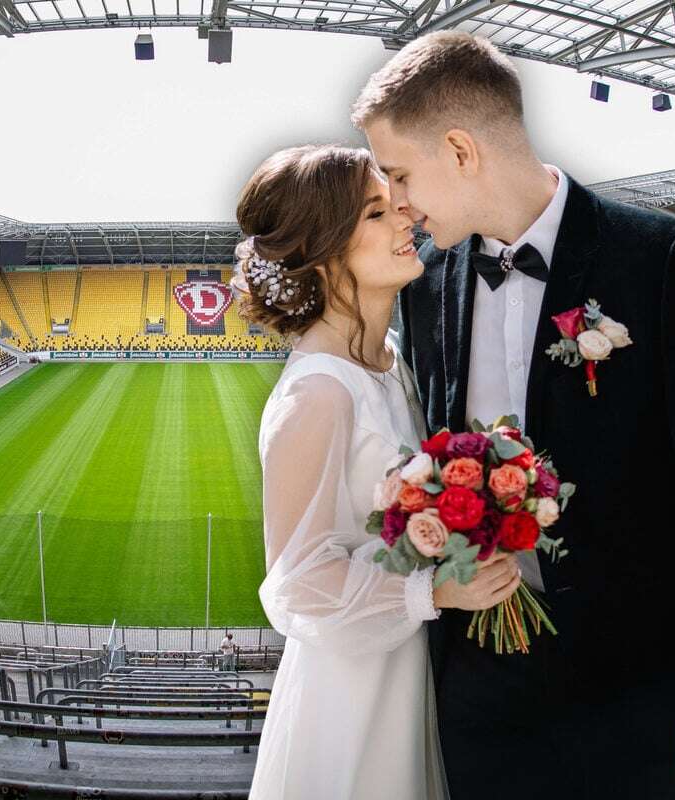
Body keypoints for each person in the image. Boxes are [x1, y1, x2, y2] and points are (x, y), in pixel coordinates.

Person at [352, 31, 675, 800]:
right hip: (477, 686)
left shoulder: (667, 261)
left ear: (460, 150)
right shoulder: (426, 282)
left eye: (401, 173)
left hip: (635, 694)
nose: (397, 200)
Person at [236, 144, 523, 800]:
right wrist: (436, 593)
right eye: (375, 212)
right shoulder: (317, 395)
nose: (406, 219)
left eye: (395, 202)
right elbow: (296, 586)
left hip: (402, 670)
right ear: (323, 248)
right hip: (349, 698)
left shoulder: (388, 360)